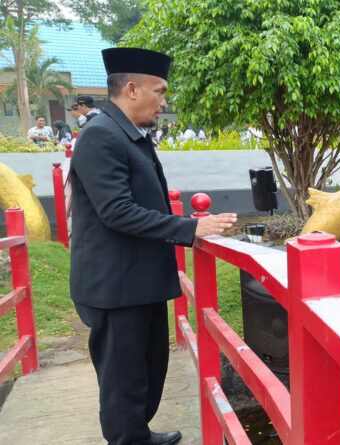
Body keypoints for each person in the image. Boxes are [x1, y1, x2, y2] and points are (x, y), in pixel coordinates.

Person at [69, 47, 237, 445]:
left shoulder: (128, 135)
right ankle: (128, 439)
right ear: (131, 89)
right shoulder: (100, 137)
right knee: (123, 382)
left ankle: (138, 434)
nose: (163, 102)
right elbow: (118, 212)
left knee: (146, 370)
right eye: (159, 92)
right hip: (116, 287)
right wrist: (190, 229)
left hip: (139, 281)